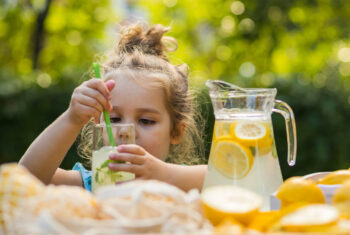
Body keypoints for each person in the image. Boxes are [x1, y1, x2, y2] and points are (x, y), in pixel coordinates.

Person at [19, 23, 207, 192]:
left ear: (176, 132)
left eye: (146, 121)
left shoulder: (181, 184)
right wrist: (72, 119)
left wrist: (165, 174)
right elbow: (25, 180)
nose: (125, 132)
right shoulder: (94, 183)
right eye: (115, 119)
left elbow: (231, 182)